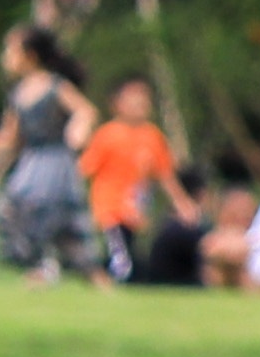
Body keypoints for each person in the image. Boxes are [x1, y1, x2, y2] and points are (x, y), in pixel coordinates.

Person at [0, 27, 105, 285]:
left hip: (56, 160)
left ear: (29, 56)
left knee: (49, 213)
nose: (6, 57)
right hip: (32, 162)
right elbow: (10, 137)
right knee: (16, 210)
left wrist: (77, 129)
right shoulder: (17, 94)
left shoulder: (55, 86)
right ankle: (45, 266)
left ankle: (65, 269)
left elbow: (85, 111)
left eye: (11, 51)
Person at [77, 77, 197, 285]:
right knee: (120, 256)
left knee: (130, 251)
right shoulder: (108, 135)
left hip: (135, 210)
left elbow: (165, 174)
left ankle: (99, 275)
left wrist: (183, 203)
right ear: (117, 104)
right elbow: (85, 168)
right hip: (110, 209)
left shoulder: (152, 136)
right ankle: (110, 282)